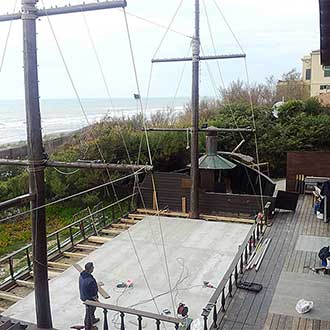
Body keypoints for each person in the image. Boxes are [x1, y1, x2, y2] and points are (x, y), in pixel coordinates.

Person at [79, 262, 100, 330]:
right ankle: (89, 326)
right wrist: (96, 300)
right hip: (89, 299)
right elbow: (93, 293)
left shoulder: (81, 276)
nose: (93, 268)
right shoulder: (90, 281)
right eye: (93, 267)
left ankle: (93, 319)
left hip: (83, 296)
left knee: (90, 311)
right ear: (90, 269)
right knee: (89, 312)